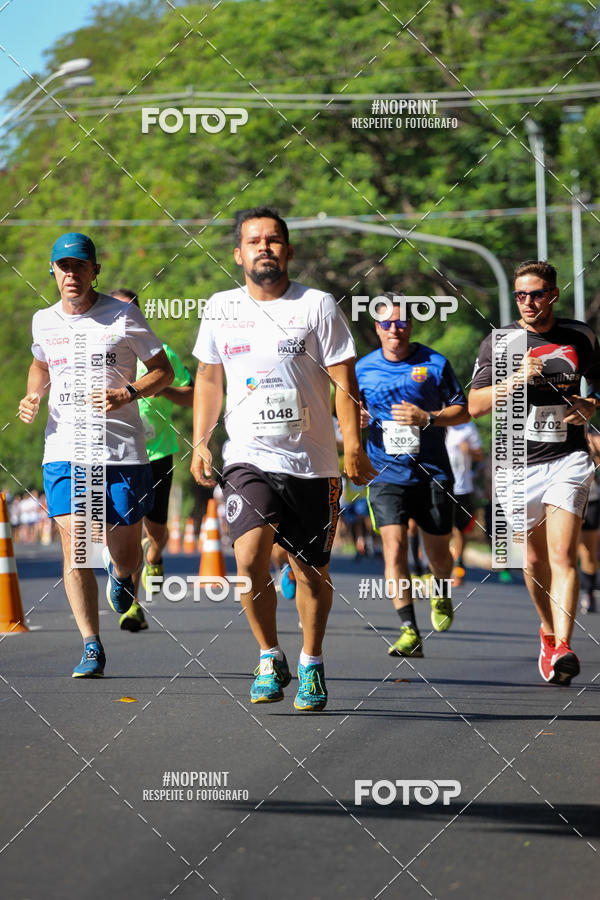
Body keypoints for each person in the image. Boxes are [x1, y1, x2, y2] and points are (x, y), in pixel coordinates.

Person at [190, 206, 375, 711]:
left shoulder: (316, 306)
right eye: (254, 241)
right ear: (238, 254)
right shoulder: (220, 307)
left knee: (310, 570)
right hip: (247, 457)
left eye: (273, 241)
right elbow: (208, 378)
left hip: (312, 461)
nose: (264, 248)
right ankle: (270, 655)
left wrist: (352, 445)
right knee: (249, 559)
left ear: (288, 251)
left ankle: (312, 661)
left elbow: (344, 380)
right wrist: (201, 440)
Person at [18, 233, 173, 677]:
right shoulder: (43, 321)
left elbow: (162, 372)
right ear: (52, 271)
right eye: (63, 266)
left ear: (94, 270)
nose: (71, 274)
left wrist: (127, 392)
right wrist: (33, 395)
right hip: (64, 446)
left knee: (125, 551)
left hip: (122, 451)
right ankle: (91, 644)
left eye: (79, 266)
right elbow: (41, 364)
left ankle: (124, 579)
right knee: (77, 543)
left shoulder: (124, 316)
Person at [469, 260, 600, 685]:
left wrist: (590, 406)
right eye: (521, 295)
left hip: (569, 458)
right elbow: (475, 406)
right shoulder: (501, 342)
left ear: (553, 295)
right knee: (534, 558)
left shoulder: (580, 336)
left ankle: (563, 645)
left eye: (537, 294)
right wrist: (515, 379)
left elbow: (597, 387)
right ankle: (547, 632)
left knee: (563, 554)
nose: (528, 302)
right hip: (515, 464)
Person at [356, 296, 470, 657]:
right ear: (376, 328)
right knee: (394, 548)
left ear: (411, 325)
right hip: (385, 472)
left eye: (401, 322)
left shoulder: (435, 364)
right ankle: (408, 629)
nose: (395, 328)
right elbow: (346, 410)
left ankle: (441, 592)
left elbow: (462, 411)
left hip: (432, 472)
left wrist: (429, 418)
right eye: (386, 323)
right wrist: (355, 420)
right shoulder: (362, 368)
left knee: (438, 553)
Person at [110, 288, 194, 632]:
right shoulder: (102, 354)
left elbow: (191, 397)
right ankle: (132, 605)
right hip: (119, 454)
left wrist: (160, 388)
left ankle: (157, 555)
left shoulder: (162, 354)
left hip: (157, 454)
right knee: (126, 532)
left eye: (128, 311)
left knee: (154, 532)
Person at [445, 421, 484, 585]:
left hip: (463, 487)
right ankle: (443, 566)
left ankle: (458, 565)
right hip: (442, 485)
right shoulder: (436, 425)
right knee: (444, 529)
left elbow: (480, 454)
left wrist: (469, 451)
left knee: (460, 529)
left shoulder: (468, 427)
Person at [578, 431, 600, 614]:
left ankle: (589, 591)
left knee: (589, 552)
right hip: (563, 501)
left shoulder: (595, 438)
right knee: (564, 550)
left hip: (590, 499)